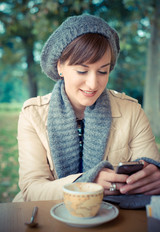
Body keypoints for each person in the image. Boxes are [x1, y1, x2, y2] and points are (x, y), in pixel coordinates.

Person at [13, 14, 160, 202]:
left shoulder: (132, 112)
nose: (92, 84)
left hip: (113, 217)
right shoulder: (32, 114)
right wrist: (86, 183)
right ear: (60, 66)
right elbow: (31, 190)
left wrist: (153, 177)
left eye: (102, 71)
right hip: (45, 217)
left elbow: (150, 170)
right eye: (82, 71)